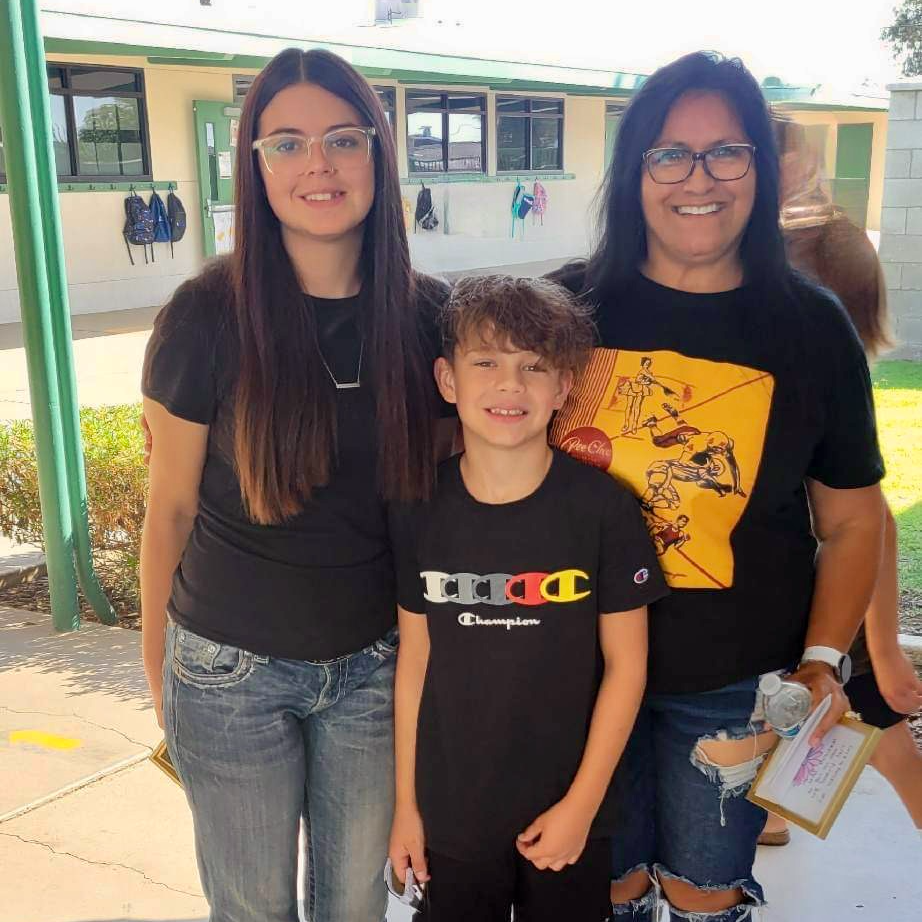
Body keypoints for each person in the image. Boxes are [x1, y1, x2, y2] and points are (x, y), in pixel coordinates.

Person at [549, 51, 886, 921]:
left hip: (735, 685)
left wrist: (819, 663)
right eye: (669, 154)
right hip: (573, 674)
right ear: (634, 175)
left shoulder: (814, 328)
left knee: (707, 897)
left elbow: (851, 521)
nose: (698, 178)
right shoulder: (562, 313)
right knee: (605, 893)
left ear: (762, 170)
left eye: (726, 152)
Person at [140, 48, 450, 922]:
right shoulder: (204, 315)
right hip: (228, 672)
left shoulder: (428, 319)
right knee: (252, 911)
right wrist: (160, 675)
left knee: (355, 909)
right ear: (257, 165)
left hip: (374, 672)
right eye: (287, 143)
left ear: (378, 156)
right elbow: (168, 511)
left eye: (343, 139)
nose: (318, 163)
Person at [387, 275, 668, 921]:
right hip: (452, 812)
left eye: (533, 367)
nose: (509, 385)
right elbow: (414, 664)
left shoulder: (602, 510)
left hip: (570, 813)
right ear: (447, 379)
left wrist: (583, 805)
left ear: (564, 387)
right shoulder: (416, 509)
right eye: (485, 362)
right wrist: (407, 806)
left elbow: (627, 668)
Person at [755, 118, 922, 844]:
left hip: (835, 617)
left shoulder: (835, 405)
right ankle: (768, 819)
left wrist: (884, 648)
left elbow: (870, 521)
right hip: (781, 610)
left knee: (888, 746)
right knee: (770, 715)